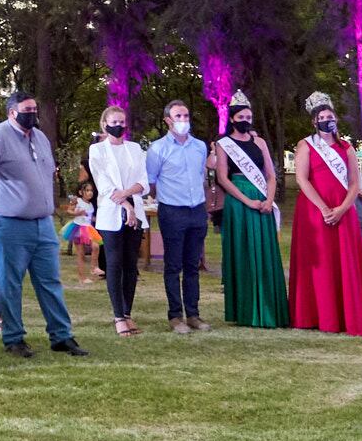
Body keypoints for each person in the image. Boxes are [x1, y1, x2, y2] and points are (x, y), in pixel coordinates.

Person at [0, 93, 85, 358]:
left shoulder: (40, 137)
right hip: (6, 220)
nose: (33, 114)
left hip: (41, 221)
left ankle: (61, 336)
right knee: (10, 281)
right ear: (12, 112)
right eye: (27, 110)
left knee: (50, 280)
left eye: (35, 109)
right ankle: (14, 338)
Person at [288, 92, 362, 335]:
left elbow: (355, 183)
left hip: (343, 210)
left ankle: (345, 316)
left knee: (343, 261)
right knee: (320, 263)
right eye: (322, 117)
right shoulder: (305, 145)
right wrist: (324, 208)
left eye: (330, 116)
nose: (327, 120)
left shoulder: (346, 147)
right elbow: (302, 179)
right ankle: (316, 315)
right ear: (314, 122)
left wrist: (343, 208)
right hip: (314, 211)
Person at [210, 92, 289, 328]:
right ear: (233, 119)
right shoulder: (224, 144)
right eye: (242, 116)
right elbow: (223, 179)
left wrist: (268, 199)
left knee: (265, 252)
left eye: (249, 116)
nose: (246, 120)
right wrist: (247, 200)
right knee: (243, 251)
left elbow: (271, 175)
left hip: (262, 198)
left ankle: (269, 305)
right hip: (239, 201)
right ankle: (246, 309)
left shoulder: (260, 142)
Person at [144, 99, 212, 333]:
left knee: (193, 265)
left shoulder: (199, 147)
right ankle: (175, 316)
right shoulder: (157, 149)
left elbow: (201, 176)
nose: (183, 120)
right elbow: (151, 182)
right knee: (173, 265)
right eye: (178, 116)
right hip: (172, 211)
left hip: (197, 210)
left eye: (185, 115)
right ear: (168, 121)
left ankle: (193, 314)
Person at [88, 106, 150, 335]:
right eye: (114, 121)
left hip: (135, 211)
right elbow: (104, 185)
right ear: (104, 124)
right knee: (114, 264)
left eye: (122, 122)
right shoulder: (97, 150)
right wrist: (125, 204)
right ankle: (118, 316)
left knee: (130, 264)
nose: (119, 126)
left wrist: (130, 199)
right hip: (112, 213)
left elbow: (143, 181)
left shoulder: (135, 149)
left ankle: (128, 312)